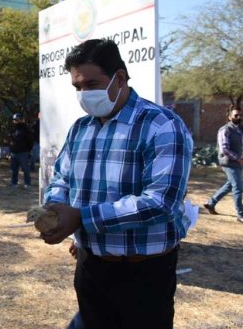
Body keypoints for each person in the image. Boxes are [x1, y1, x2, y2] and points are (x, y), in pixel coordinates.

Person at [39, 39, 193, 329]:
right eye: (78, 87)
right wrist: (56, 209)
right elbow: (61, 177)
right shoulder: (81, 128)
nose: (84, 94)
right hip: (91, 266)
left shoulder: (161, 125)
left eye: (92, 84)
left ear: (119, 78)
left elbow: (161, 202)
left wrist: (82, 217)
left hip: (144, 273)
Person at [203, 105, 243, 224]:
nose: (239, 117)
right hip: (229, 162)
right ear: (229, 117)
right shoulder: (225, 129)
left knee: (231, 184)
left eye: (241, 115)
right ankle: (240, 214)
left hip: (240, 161)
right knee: (238, 186)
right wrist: (238, 158)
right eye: (236, 115)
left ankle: (211, 203)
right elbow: (224, 149)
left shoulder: (242, 129)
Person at [9, 113, 33, 189]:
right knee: (14, 169)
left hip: (23, 152)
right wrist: (10, 150)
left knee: (25, 169)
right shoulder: (13, 129)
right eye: (14, 120)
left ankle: (27, 183)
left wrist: (28, 150)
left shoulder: (26, 129)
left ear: (21, 120)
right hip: (14, 152)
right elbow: (10, 140)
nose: (15, 121)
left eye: (17, 120)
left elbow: (30, 141)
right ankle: (14, 183)